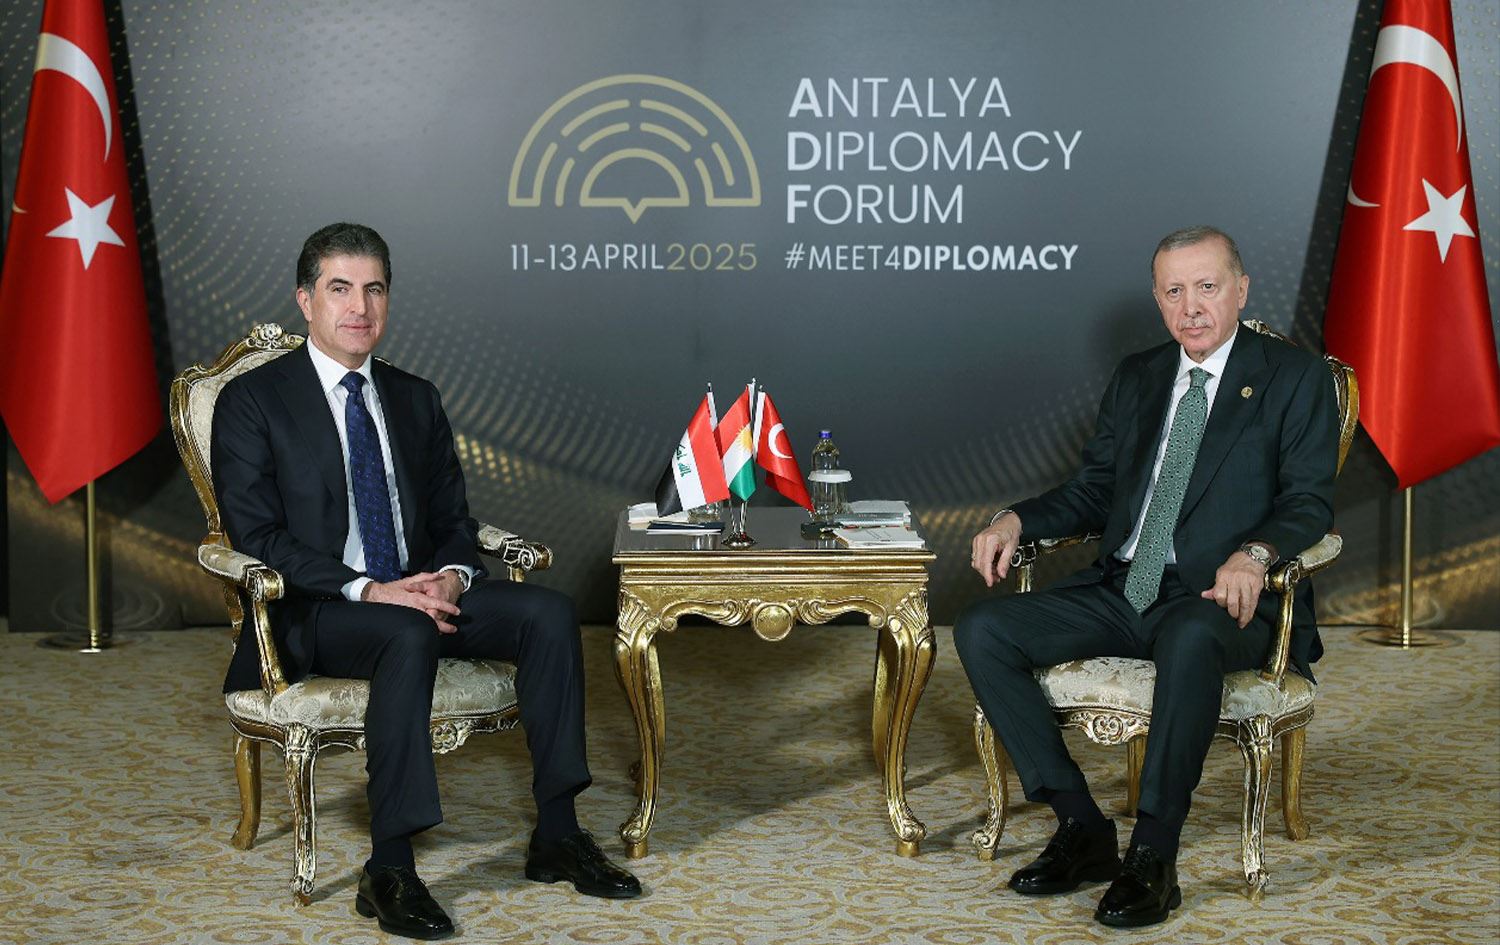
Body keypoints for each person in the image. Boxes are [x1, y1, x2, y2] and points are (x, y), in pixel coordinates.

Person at [212, 223, 640, 940]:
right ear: (306, 301)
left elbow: (452, 518)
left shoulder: (415, 397)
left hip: (419, 596)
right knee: (405, 631)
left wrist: (450, 577)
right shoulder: (255, 400)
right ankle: (390, 869)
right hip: (320, 609)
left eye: (374, 289)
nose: (360, 307)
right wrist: (370, 589)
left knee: (549, 613)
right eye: (340, 289)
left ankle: (558, 833)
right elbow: (259, 537)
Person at [953, 226, 1339, 928]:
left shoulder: (1294, 377)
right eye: (1173, 291)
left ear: (1241, 289)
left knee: (1190, 638)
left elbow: (1309, 500)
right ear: (1158, 300)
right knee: (983, 629)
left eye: (1207, 287)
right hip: (1125, 586)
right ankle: (1081, 826)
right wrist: (1015, 519)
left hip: (1220, 598)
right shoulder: (1140, 375)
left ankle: (1154, 853)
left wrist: (1255, 554)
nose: (1191, 307)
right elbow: (1094, 490)